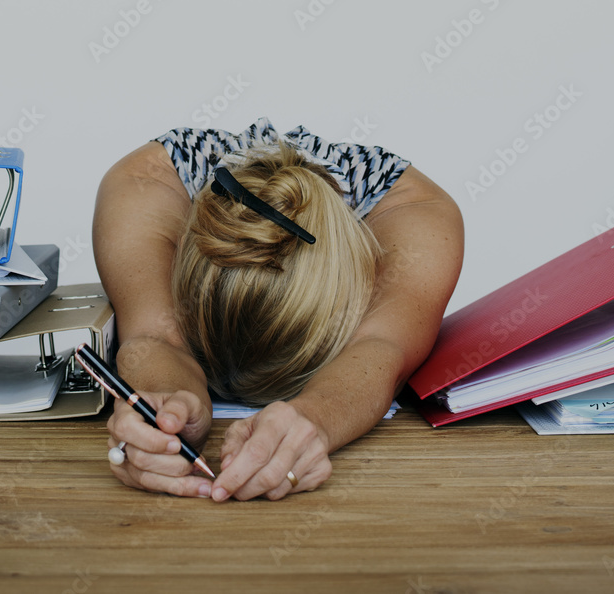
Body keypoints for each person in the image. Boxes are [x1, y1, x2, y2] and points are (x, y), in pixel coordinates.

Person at [92, 117, 463, 502]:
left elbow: (380, 348)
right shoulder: (141, 183)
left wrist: (314, 419)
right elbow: (155, 334)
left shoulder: (423, 218)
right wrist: (167, 401)